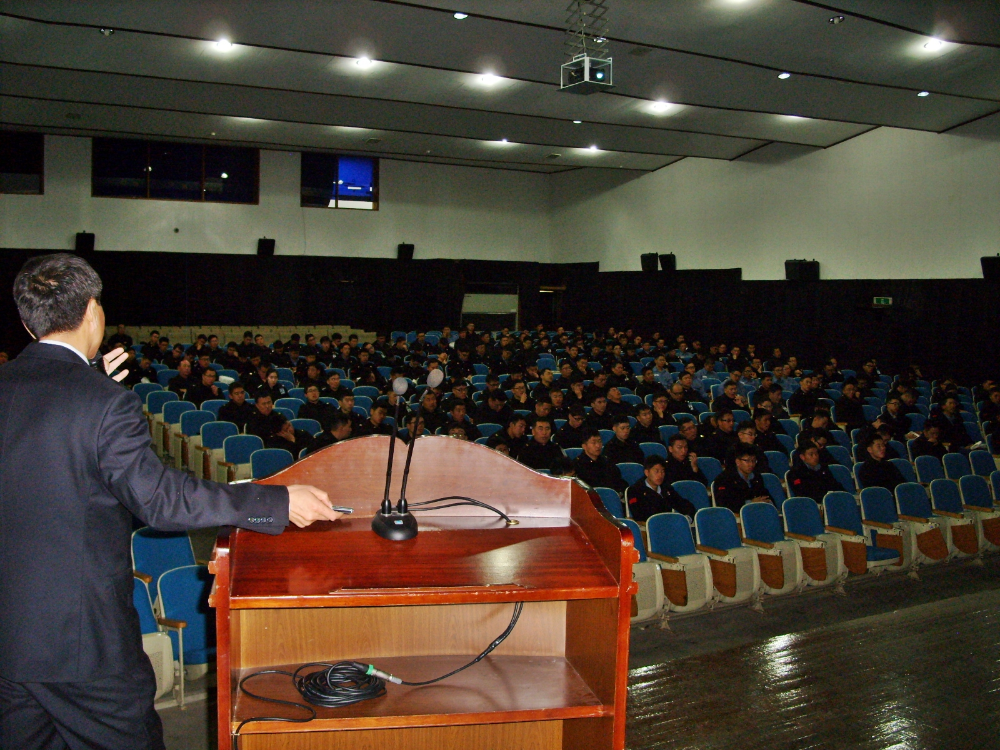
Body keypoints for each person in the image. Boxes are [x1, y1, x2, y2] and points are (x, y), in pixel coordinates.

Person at [0, 253, 340, 750]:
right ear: (93, 311)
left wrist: (90, 381)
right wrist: (276, 501)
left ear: (27, 321)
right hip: (83, 648)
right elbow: (159, 499)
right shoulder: (104, 401)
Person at [624, 456, 697, 522]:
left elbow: (683, 504)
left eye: (663, 471)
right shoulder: (635, 490)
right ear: (647, 472)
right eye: (656, 471)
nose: (660, 475)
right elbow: (640, 516)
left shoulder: (666, 488)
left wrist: (688, 518)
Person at [712, 444, 772, 514]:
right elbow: (725, 505)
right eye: (747, 461)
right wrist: (751, 503)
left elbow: (765, 495)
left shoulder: (756, 477)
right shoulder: (724, 479)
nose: (751, 464)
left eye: (754, 461)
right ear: (737, 462)